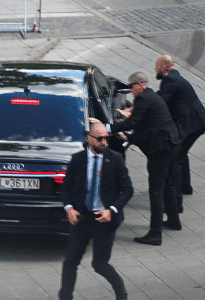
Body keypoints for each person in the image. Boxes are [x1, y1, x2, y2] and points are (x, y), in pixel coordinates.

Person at [96, 72, 182, 246]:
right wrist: (128, 137)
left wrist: (107, 127)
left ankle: (155, 234)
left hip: (161, 150)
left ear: (140, 85)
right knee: (168, 185)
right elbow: (145, 125)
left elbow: (133, 123)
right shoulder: (151, 97)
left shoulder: (143, 98)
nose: (130, 90)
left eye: (131, 86)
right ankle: (174, 220)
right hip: (172, 145)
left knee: (156, 191)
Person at [59, 123, 133, 300]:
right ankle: (65, 297)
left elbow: (128, 189)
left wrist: (112, 210)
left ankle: (121, 295)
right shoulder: (78, 160)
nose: (104, 142)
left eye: (106, 138)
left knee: (100, 265)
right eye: (100, 139)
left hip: (104, 220)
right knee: (70, 261)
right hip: (82, 219)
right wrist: (69, 208)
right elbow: (66, 188)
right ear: (89, 138)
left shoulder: (115, 159)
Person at [155, 55, 205, 204]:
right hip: (197, 121)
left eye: (157, 66)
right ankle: (186, 187)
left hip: (191, 124)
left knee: (176, 158)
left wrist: (141, 104)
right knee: (182, 153)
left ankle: (176, 200)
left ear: (164, 67)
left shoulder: (170, 80)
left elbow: (160, 101)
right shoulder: (175, 77)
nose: (155, 69)